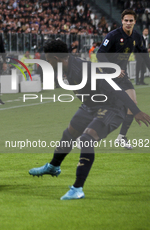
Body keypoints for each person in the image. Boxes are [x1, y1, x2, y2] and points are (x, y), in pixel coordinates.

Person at [29, 39, 150, 200]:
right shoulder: (66, 66)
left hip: (112, 107)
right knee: (69, 133)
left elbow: (116, 89)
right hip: (90, 105)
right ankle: (53, 167)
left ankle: (78, 188)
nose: (46, 63)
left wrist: (135, 111)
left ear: (56, 59)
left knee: (86, 138)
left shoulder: (82, 69)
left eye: (47, 60)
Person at [97, 9, 150, 148]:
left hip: (122, 75)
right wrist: (112, 69)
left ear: (134, 22)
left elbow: (144, 55)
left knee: (133, 103)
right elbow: (100, 55)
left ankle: (121, 137)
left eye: (130, 21)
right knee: (104, 107)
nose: (128, 23)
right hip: (108, 75)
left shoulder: (137, 37)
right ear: (122, 21)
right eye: (125, 20)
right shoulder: (113, 35)